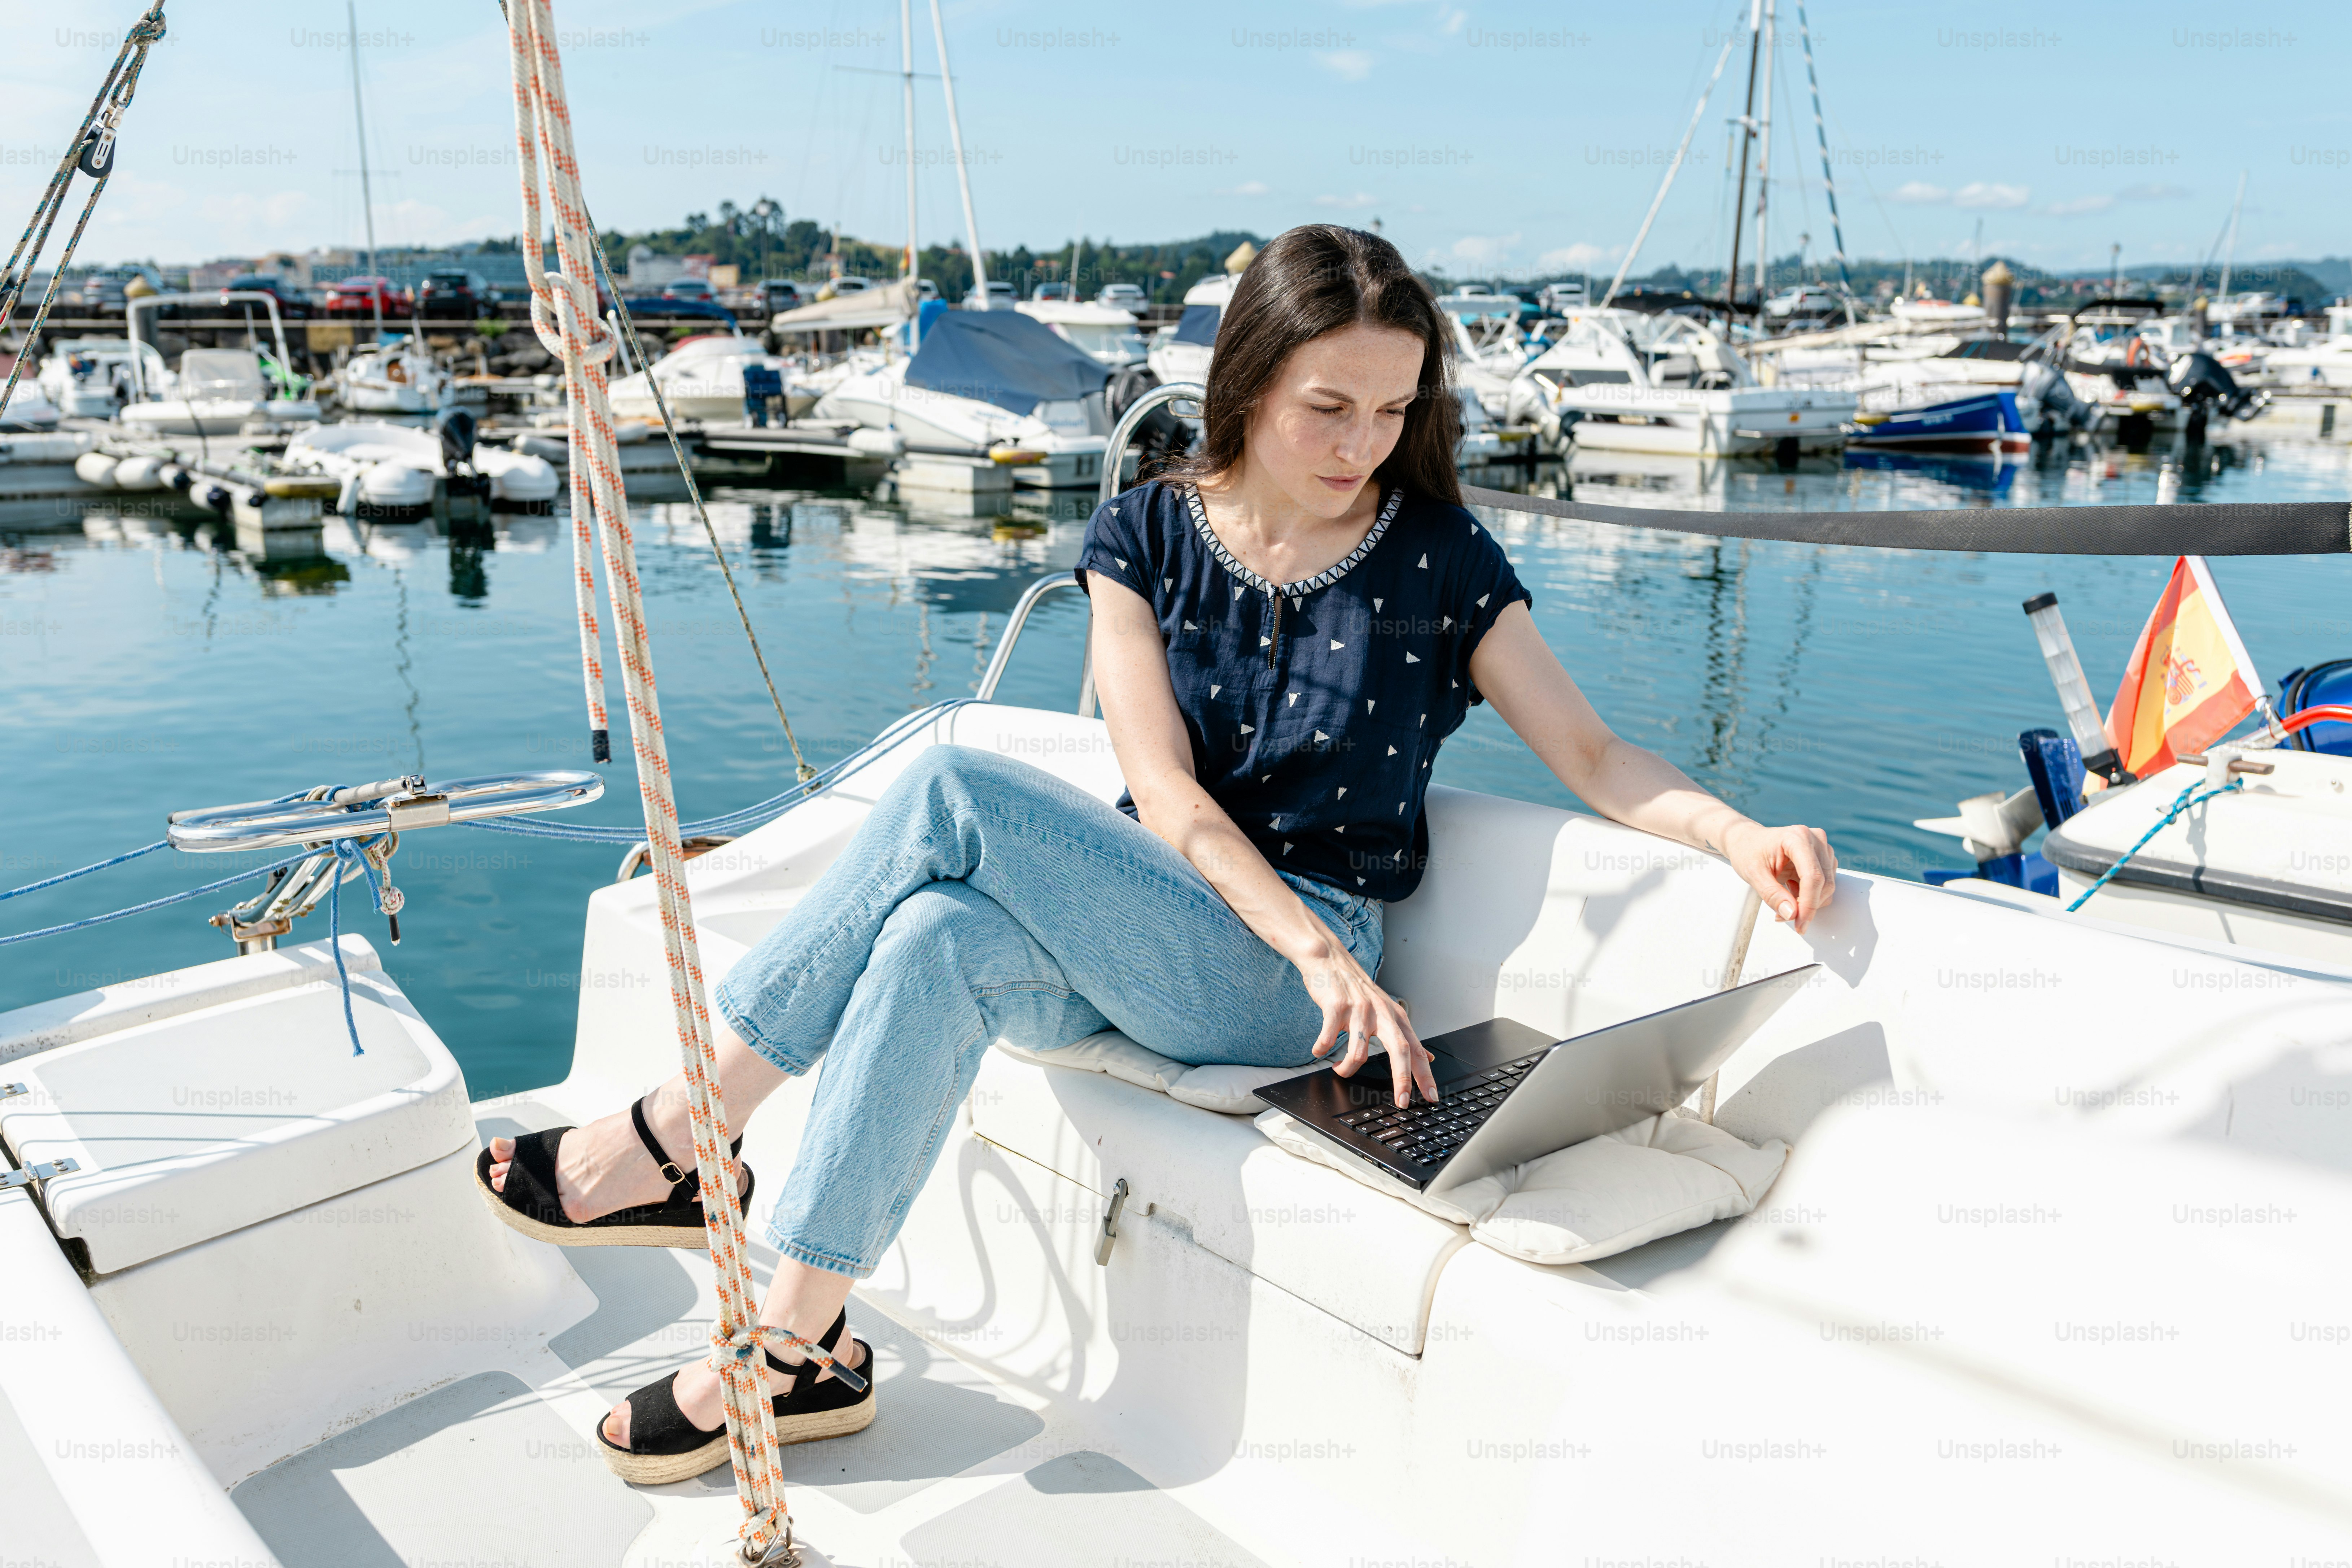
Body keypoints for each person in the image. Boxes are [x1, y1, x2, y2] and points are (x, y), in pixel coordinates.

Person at [477, 223, 1837, 1484]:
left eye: (1393, 408)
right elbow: (1165, 795)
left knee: (949, 787)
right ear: (1248, 383)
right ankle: (793, 1344)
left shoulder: (1437, 556)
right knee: (937, 938)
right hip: (1154, 918)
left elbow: (1594, 758)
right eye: (1330, 405)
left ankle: (683, 1129)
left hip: (1299, 975)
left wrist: (1736, 831)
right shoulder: (1146, 533)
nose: (1364, 440)